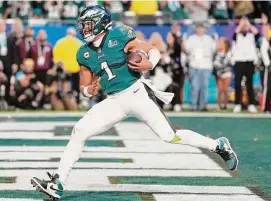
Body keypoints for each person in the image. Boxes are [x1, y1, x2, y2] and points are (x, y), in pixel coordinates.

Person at [31, 6, 238, 200]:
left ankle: (218, 145)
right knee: (79, 130)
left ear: (101, 23)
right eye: (83, 24)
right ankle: (58, 182)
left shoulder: (119, 35)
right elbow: (85, 85)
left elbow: (153, 50)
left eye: (88, 24)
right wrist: (88, 90)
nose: (84, 28)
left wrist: (149, 63)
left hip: (136, 93)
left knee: (169, 136)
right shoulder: (83, 53)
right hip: (113, 100)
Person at [184, 23, 216, 111]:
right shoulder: (191, 39)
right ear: (196, 29)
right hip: (194, 64)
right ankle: (193, 105)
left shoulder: (209, 39)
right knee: (194, 86)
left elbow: (213, 50)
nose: (200, 30)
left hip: (206, 65)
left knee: (204, 86)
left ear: (204, 30)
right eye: (198, 28)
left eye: (202, 28)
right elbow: (186, 50)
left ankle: (203, 105)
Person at [231, 17, 259, 113]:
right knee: (238, 84)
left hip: (249, 62)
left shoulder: (251, 36)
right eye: (243, 26)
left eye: (245, 26)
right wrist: (241, 24)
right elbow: (235, 33)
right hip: (239, 62)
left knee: (249, 84)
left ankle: (251, 104)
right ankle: (237, 104)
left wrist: (248, 24)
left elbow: (256, 32)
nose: (244, 27)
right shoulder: (236, 36)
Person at [53, 27, 83, 104]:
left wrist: (60, 66)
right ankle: (77, 101)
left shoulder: (59, 42)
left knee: (64, 88)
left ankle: (62, 102)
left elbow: (56, 57)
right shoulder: (79, 43)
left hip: (64, 70)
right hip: (76, 69)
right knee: (76, 88)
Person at [214, 37, 232, 110]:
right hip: (219, 73)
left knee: (225, 89)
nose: (220, 44)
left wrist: (224, 67)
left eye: (221, 42)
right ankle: (218, 105)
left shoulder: (229, 52)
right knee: (220, 89)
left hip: (226, 72)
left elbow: (229, 62)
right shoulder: (216, 52)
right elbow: (215, 62)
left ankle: (225, 105)